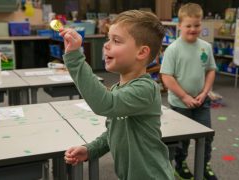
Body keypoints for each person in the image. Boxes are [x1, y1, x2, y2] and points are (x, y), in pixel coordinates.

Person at [60, 10, 174, 180]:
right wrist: (91, 149)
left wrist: (75, 59)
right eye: (108, 39)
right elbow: (114, 132)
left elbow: (104, 104)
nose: (106, 45)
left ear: (141, 52)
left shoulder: (146, 89)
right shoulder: (118, 89)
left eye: (116, 40)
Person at [160, 3, 217, 180]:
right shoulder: (173, 49)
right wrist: (184, 96)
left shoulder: (205, 47)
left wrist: (205, 92)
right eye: (188, 25)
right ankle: (181, 165)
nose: (193, 29)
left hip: (202, 101)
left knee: (206, 136)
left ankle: (204, 164)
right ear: (180, 26)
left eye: (197, 25)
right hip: (180, 103)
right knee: (182, 139)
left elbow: (210, 70)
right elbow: (166, 76)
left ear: (201, 24)